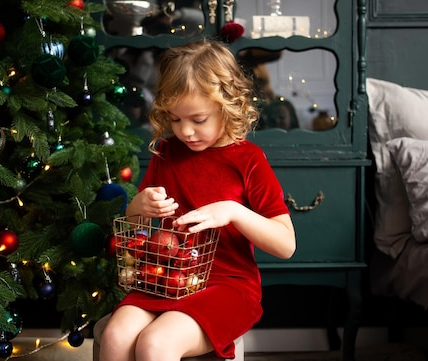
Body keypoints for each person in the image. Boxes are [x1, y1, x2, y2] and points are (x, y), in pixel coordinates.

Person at [99, 39, 296, 361]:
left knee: (156, 344)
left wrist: (233, 211)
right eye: (175, 120)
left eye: (198, 120)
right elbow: (136, 230)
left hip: (228, 285)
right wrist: (138, 207)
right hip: (164, 279)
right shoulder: (166, 152)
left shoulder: (248, 160)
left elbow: (285, 245)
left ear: (227, 106)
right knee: (116, 336)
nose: (185, 131)